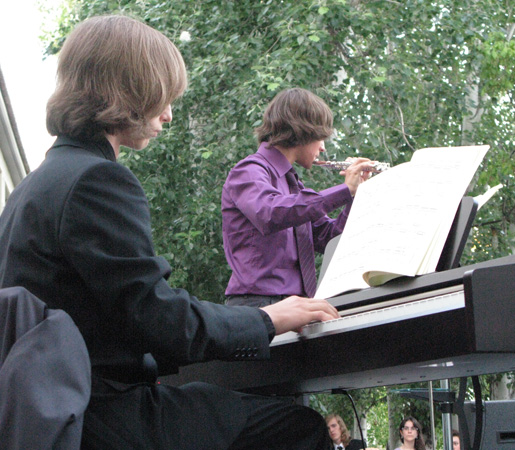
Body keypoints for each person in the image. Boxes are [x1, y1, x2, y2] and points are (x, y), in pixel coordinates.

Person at [0, 15, 340, 450]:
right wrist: (266, 319)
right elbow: (161, 320)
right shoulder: (97, 179)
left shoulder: (32, 187)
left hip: (55, 410)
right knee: (299, 428)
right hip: (101, 413)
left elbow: (123, 318)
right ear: (129, 93)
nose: (169, 114)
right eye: (163, 97)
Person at [221, 87, 373, 307]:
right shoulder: (249, 171)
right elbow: (270, 213)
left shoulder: (293, 184)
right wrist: (343, 190)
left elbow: (329, 238)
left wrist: (357, 195)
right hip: (257, 304)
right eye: (321, 137)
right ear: (303, 131)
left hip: (295, 304)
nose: (322, 147)